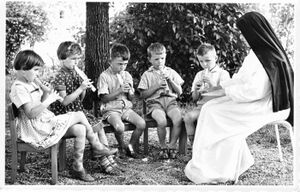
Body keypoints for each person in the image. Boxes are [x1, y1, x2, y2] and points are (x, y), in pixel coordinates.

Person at [184, 11, 293, 184]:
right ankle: (219, 162)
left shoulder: (270, 56)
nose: (243, 37)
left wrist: (226, 92)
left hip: (267, 105)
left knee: (214, 112)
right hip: (252, 100)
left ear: (254, 32)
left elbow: (255, 92)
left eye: (245, 33)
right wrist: (220, 88)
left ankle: (216, 170)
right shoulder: (255, 53)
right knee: (209, 107)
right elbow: (241, 78)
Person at [9, 50, 119, 182]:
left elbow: (38, 102)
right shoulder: (19, 87)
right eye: (36, 70)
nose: (38, 74)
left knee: (81, 129)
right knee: (79, 115)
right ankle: (97, 147)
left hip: (43, 121)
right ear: (23, 69)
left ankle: (77, 167)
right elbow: (31, 114)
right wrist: (48, 101)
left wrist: (45, 92)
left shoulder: (30, 82)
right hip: (36, 128)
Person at [50, 41, 118, 174]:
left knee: (99, 126)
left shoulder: (74, 73)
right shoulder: (59, 76)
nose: (76, 63)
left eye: (78, 59)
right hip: (65, 113)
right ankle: (105, 162)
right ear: (62, 59)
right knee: (93, 126)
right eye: (73, 59)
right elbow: (64, 102)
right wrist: (80, 88)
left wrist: (84, 88)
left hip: (76, 110)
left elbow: (79, 100)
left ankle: (108, 158)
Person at [97, 43, 146, 158]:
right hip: (111, 110)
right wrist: (119, 90)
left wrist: (130, 92)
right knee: (120, 127)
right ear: (110, 61)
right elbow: (103, 98)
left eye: (125, 64)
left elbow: (131, 98)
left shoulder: (127, 75)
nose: (122, 67)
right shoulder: (104, 76)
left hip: (125, 109)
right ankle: (122, 146)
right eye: (119, 64)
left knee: (141, 124)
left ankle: (130, 147)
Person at [138, 42, 184, 159]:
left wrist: (170, 81)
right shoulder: (147, 74)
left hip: (170, 101)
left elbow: (180, 92)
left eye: (162, 58)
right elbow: (143, 95)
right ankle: (163, 146)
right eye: (156, 59)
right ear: (150, 59)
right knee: (161, 121)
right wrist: (157, 86)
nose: (160, 61)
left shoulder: (171, 72)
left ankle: (172, 145)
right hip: (155, 103)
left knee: (178, 119)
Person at [183, 43, 230, 146]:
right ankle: (194, 145)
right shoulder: (199, 74)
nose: (204, 64)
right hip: (201, 107)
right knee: (188, 117)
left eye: (207, 60)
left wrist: (211, 84)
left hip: (217, 107)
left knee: (205, 119)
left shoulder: (223, 74)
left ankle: (209, 147)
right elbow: (195, 98)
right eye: (201, 61)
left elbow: (226, 94)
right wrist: (196, 89)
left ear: (216, 58)